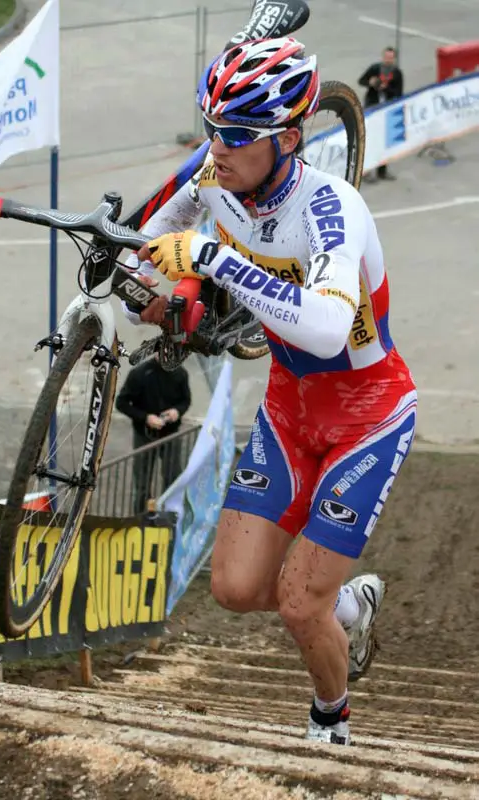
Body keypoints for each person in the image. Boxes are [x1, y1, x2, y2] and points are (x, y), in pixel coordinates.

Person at [124, 36, 416, 745]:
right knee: (235, 589)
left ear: (288, 138)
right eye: (209, 126)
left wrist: (213, 258)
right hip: (289, 404)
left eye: (234, 135)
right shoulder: (217, 177)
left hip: (368, 413)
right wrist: (143, 286)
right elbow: (147, 240)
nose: (215, 146)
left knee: (295, 602)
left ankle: (330, 725)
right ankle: (349, 605)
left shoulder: (332, 210)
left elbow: (323, 328)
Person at [115, 356, 191, 514]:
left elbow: (186, 400)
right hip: (145, 435)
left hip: (170, 434)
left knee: (173, 478)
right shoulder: (139, 373)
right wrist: (146, 418)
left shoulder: (180, 373)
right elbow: (121, 402)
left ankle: (170, 516)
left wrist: (177, 411)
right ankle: (141, 518)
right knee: (142, 482)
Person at [359, 47, 404, 182]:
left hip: (387, 110)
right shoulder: (375, 69)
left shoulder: (397, 73)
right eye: (386, 57)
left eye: (390, 58)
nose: (388, 60)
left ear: (394, 59)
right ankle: (365, 171)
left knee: (384, 141)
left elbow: (399, 93)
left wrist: (386, 89)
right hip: (372, 108)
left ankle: (382, 171)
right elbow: (361, 81)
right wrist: (370, 83)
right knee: (370, 140)